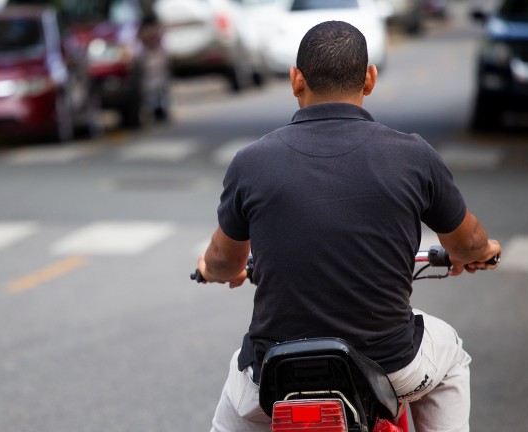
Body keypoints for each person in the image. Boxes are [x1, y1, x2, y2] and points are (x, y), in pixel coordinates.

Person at [195, 20, 502, 432]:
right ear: (370, 79)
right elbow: (468, 242)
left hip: (273, 373)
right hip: (393, 366)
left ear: (295, 80)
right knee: (452, 359)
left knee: (234, 400)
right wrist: (479, 253)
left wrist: (215, 269)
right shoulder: (413, 156)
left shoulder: (251, 162)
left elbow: (221, 260)